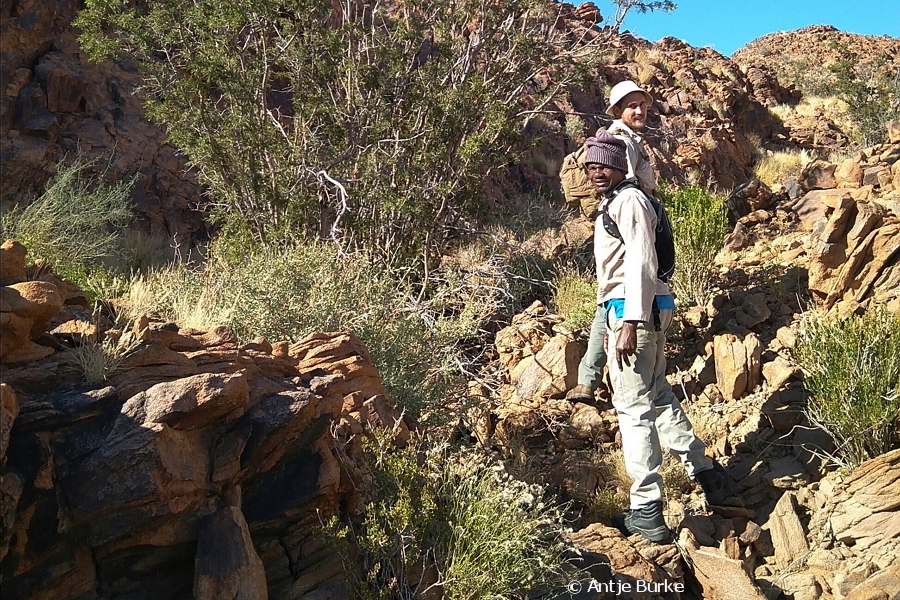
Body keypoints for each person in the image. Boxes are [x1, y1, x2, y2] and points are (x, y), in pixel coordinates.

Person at [581, 131, 730, 543]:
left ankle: (646, 510)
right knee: (657, 395)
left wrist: (629, 321)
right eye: (590, 165)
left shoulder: (628, 200)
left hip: (634, 313)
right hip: (648, 309)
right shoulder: (620, 199)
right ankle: (706, 473)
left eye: (604, 164)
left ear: (620, 165)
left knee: (632, 410)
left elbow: (642, 262)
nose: (596, 171)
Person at [566, 80, 656, 404]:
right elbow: (629, 184)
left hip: (625, 221)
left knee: (609, 294)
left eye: (643, 105)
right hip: (626, 222)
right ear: (617, 110)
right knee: (615, 291)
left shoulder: (631, 138)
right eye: (632, 105)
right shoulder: (620, 140)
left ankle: (587, 379)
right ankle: (589, 378)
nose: (640, 110)